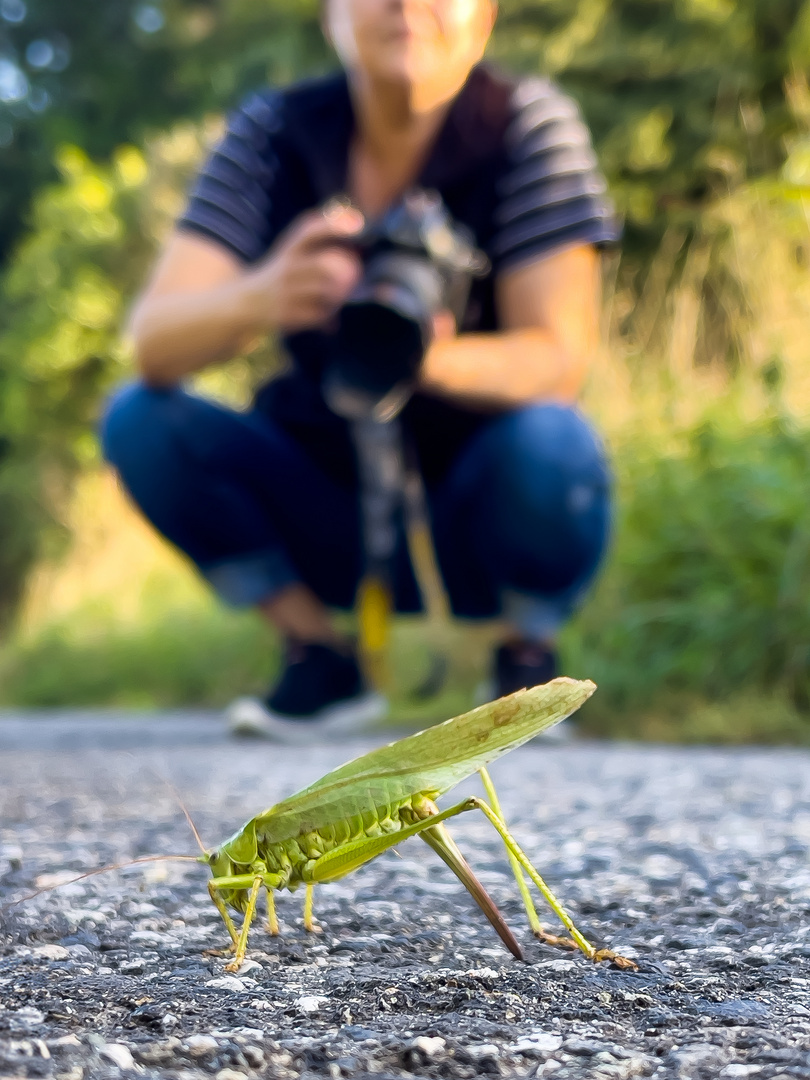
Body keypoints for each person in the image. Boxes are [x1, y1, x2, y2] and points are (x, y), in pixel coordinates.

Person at [101, 0, 618, 741]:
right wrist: (264, 293)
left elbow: (558, 358)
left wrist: (424, 354)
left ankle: (526, 666)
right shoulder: (274, 133)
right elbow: (152, 342)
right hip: (322, 503)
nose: (407, 3)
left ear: (485, 18)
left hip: (480, 507)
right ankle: (317, 653)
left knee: (554, 441)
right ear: (329, 13)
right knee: (141, 418)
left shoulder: (526, 123)